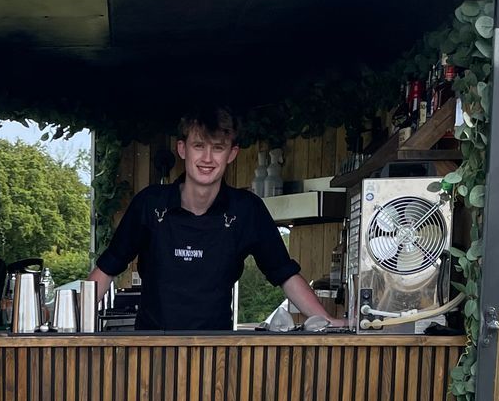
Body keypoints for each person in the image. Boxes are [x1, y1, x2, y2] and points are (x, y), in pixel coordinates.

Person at [90, 108, 339, 332]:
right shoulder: (150, 204)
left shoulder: (246, 210)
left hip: (216, 356)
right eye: (199, 146)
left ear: (232, 153)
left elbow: (284, 273)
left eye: (217, 148)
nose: (207, 158)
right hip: (151, 353)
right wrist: (73, 322)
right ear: (182, 149)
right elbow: (108, 267)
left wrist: (327, 319)